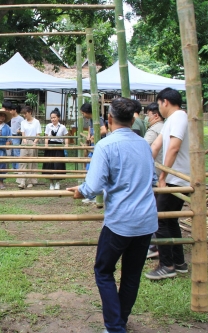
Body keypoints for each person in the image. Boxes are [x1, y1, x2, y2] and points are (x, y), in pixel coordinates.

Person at [67, 97, 157, 333]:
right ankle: (120, 322)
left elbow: (93, 185)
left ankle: (115, 327)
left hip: (120, 222)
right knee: (131, 275)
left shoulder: (106, 145)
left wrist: (80, 191)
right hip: (146, 221)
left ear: (109, 119)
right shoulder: (143, 144)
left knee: (103, 270)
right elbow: (154, 180)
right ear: (132, 119)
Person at [146, 87, 189, 280]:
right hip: (172, 177)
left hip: (176, 178)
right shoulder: (170, 120)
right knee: (170, 219)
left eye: (159, 105)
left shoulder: (179, 116)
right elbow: (156, 146)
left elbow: (174, 147)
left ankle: (167, 264)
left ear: (165, 102)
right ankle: (179, 262)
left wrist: (163, 177)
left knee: (160, 219)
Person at [143, 102, 164, 259]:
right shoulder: (166, 127)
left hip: (156, 174)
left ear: (155, 115)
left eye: (148, 115)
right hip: (163, 173)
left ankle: (155, 244)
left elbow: (144, 149)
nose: (147, 118)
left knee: (155, 210)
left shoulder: (154, 130)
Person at [80, 103, 107, 202]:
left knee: (93, 170)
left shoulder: (98, 119)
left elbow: (104, 130)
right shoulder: (91, 120)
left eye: (83, 113)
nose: (83, 115)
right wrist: (89, 135)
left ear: (87, 112)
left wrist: (93, 136)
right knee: (89, 169)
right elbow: (90, 128)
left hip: (98, 147)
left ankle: (94, 196)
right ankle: (92, 195)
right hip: (93, 147)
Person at [43, 108, 68, 190]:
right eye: (51, 118)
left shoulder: (63, 127)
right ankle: (51, 183)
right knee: (49, 164)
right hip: (50, 146)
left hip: (59, 146)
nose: (53, 119)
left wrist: (66, 145)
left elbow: (66, 137)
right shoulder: (48, 126)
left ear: (58, 118)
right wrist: (46, 145)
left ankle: (57, 182)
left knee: (58, 164)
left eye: (54, 117)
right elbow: (46, 136)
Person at [17, 106, 42, 189]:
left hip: (33, 141)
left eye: (26, 113)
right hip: (25, 141)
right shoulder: (23, 122)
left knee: (32, 162)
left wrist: (34, 142)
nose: (25, 115)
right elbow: (23, 133)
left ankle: (31, 181)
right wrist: (24, 141)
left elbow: (38, 134)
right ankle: (22, 181)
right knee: (22, 161)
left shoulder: (36, 122)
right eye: (23, 114)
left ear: (30, 112)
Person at [0, 109, 12, 189]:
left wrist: (8, 143)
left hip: (2, 148)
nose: (2, 117)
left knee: (1, 166)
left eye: (4, 116)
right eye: (1, 115)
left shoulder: (7, 127)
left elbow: (9, 138)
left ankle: (1, 182)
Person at [10, 104, 24, 170]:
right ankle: (14, 167)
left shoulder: (20, 118)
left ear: (15, 110)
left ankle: (18, 168)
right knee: (12, 153)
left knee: (16, 152)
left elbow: (24, 127)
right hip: (11, 136)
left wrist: (20, 130)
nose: (10, 111)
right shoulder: (11, 118)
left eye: (11, 110)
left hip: (17, 137)